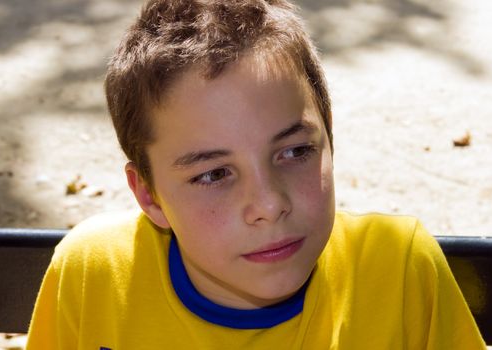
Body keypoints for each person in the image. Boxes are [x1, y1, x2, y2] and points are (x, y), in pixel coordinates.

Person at [26, 0, 486, 349]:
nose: (269, 204)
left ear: (329, 137)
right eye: (213, 174)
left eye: (295, 151)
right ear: (149, 196)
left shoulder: (399, 269)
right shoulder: (93, 273)